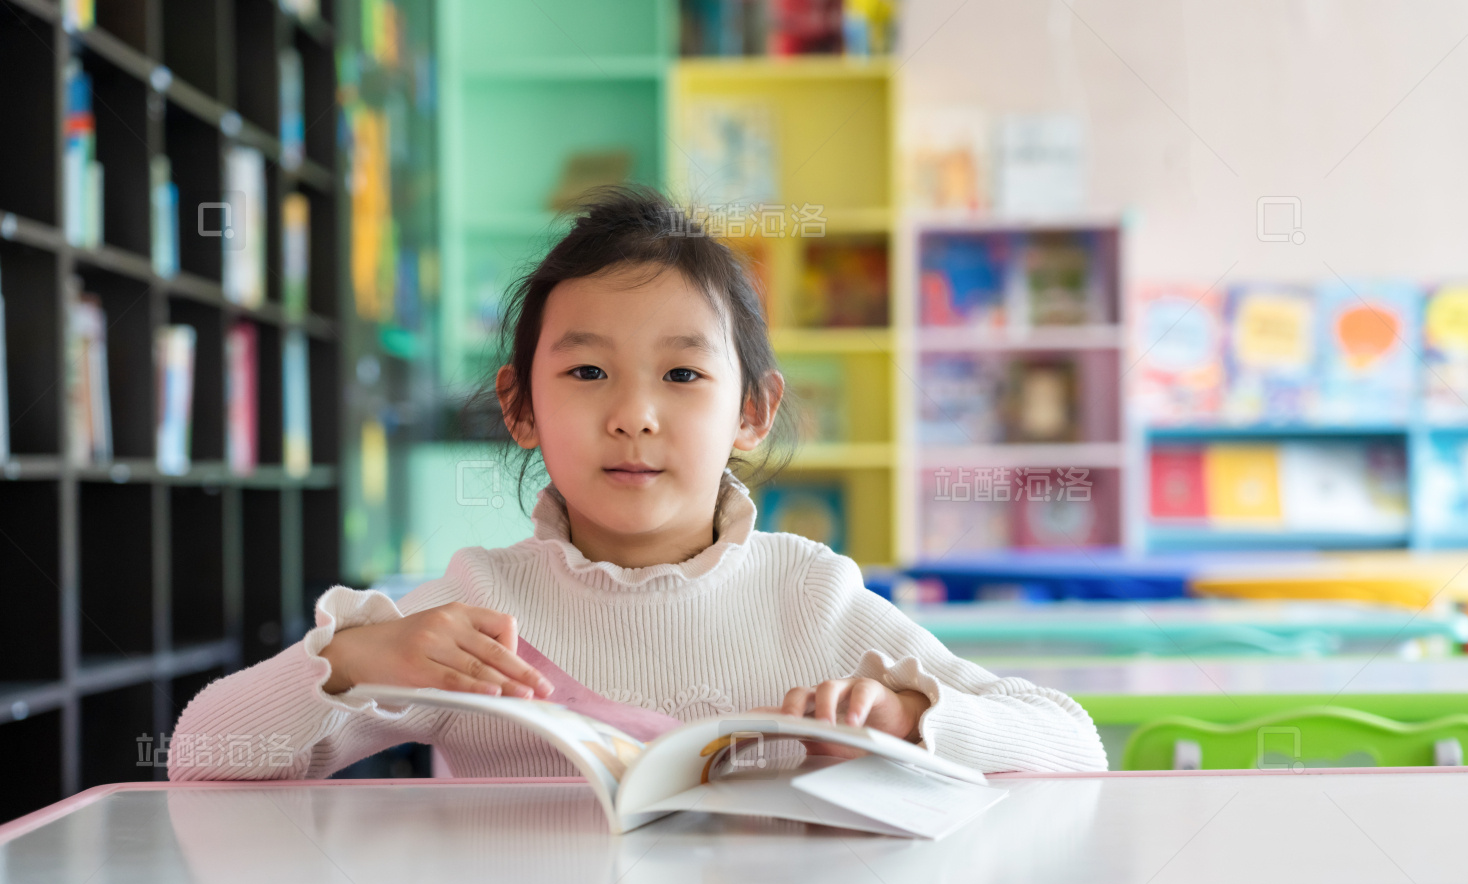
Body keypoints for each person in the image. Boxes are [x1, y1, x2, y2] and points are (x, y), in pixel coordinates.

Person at [169, 187, 1107, 781]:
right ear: (519, 406)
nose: (634, 415)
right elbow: (200, 755)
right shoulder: (477, 605)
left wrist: (909, 719)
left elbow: (1071, 743)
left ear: (753, 412)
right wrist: (359, 659)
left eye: (683, 374)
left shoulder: (809, 595)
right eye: (586, 372)